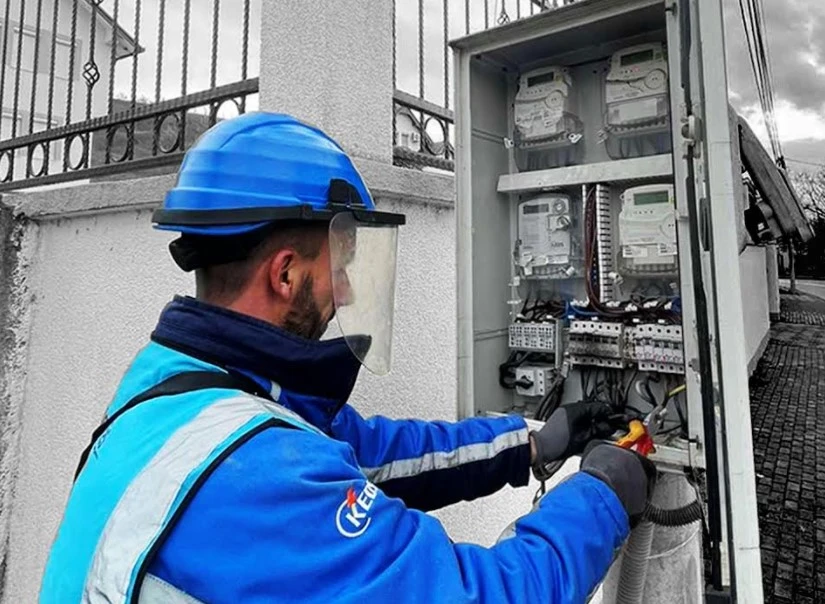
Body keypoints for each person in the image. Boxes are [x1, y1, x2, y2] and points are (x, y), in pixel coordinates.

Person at [41, 112, 656, 604]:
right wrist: (600, 495)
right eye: (341, 264)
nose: (349, 292)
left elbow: (373, 454)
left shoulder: (181, 385)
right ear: (285, 274)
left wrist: (532, 443)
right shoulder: (258, 474)